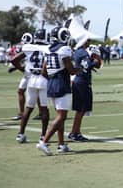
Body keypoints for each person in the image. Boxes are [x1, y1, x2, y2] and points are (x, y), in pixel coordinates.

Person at [37, 26, 80, 155]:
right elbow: (71, 70)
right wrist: (81, 68)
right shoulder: (64, 49)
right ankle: (44, 142)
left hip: (51, 83)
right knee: (62, 116)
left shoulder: (48, 49)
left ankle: (61, 145)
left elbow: (43, 72)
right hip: (61, 83)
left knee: (60, 116)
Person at [11, 29, 50, 143]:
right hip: (43, 79)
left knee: (28, 108)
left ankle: (20, 134)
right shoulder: (48, 48)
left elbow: (14, 60)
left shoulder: (28, 47)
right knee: (44, 109)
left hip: (31, 78)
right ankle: (43, 136)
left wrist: (23, 70)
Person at [68, 36, 102, 142]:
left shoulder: (78, 52)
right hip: (81, 82)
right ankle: (74, 132)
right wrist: (96, 59)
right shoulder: (83, 53)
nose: (88, 43)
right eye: (87, 41)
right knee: (81, 109)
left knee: (81, 110)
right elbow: (89, 66)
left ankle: (76, 132)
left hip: (80, 81)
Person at [10, 33, 34, 121]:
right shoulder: (36, 48)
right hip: (32, 73)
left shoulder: (28, 48)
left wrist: (20, 68)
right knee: (21, 91)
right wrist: (19, 68)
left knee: (30, 92)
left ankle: (22, 113)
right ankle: (22, 113)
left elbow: (13, 60)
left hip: (30, 74)